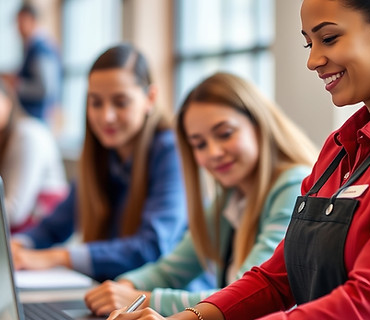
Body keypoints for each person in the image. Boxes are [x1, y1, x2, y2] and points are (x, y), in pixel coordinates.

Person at [107, 0, 370, 319]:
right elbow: (278, 279)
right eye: (309, 44)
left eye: (328, 38)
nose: (313, 60)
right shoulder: (339, 147)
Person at [84, 72, 318, 316]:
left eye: (225, 134)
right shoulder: (232, 195)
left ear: (259, 125)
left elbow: (246, 295)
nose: (214, 152)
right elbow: (170, 269)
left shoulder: (294, 185)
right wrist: (126, 286)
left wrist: (144, 300)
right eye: (199, 144)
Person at [10, 43, 189, 283]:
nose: (106, 116)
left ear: (150, 97)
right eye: (96, 102)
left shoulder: (170, 150)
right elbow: (56, 225)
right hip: (110, 292)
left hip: (168, 304)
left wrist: (58, 257)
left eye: (120, 102)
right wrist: (17, 246)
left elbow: (152, 246)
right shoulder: (102, 153)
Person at [0, 78, 67, 233]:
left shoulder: (28, 134)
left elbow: (14, 212)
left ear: (9, 101)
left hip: (42, 233)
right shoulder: (6, 137)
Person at [1, 3, 62, 121]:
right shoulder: (32, 47)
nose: (18, 28)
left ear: (32, 20)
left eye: (21, 22)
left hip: (36, 117)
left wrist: (15, 85)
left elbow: (44, 88)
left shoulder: (41, 49)